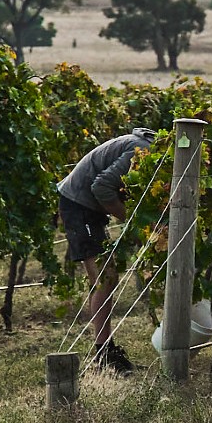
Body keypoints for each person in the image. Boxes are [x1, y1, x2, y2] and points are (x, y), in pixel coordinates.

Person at [57, 127, 155, 375]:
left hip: (88, 207)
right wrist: (132, 220)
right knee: (105, 278)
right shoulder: (142, 150)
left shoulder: (149, 150)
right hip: (78, 205)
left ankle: (105, 351)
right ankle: (103, 354)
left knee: (106, 277)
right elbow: (100, 188)